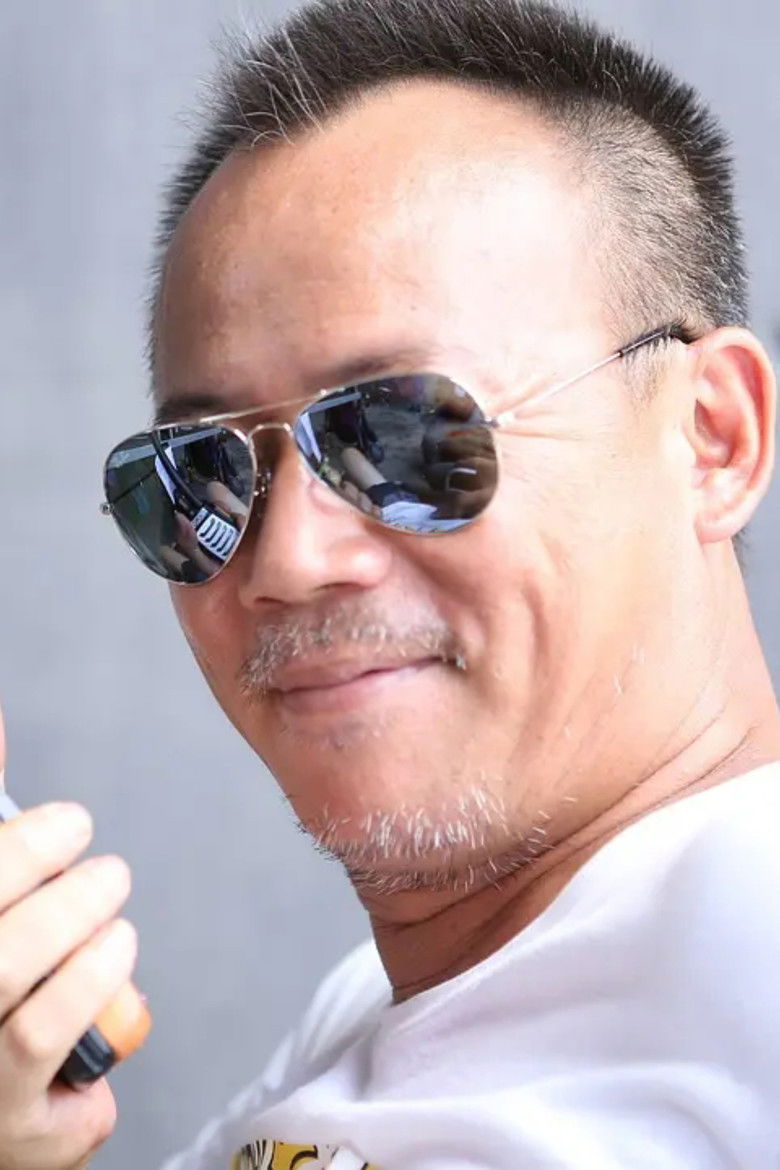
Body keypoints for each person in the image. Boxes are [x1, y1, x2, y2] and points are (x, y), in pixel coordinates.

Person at [1, 0, 779, 1167]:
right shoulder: (374, 1015)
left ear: (711, 441)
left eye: (407, 434)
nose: (286, 562)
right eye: (199, 474)